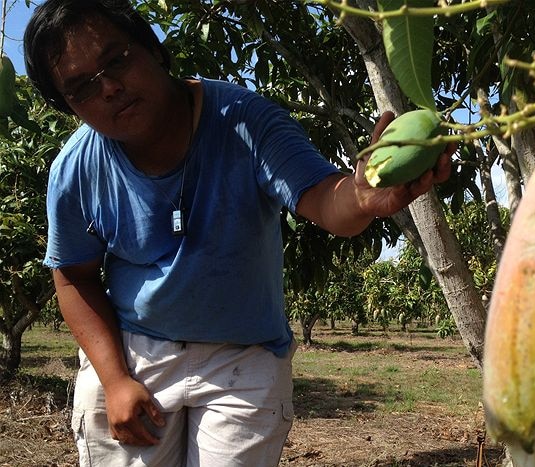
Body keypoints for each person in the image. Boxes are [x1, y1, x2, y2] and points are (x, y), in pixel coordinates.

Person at [23, 0, 452, 465]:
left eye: (116, 60)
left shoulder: (246, 120)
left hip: (242, 360)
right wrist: (114, 380)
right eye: (82, 87)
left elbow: (328, 201)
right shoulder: (77, 170)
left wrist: (363, 194)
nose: (108, 87)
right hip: (133, 354)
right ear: (67, 106)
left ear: (153, 49)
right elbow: (73, 277)